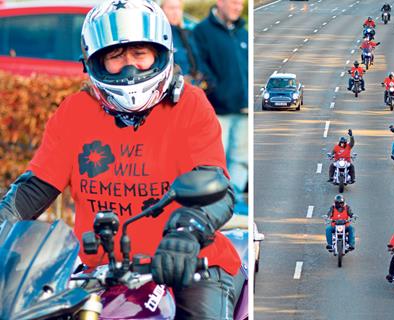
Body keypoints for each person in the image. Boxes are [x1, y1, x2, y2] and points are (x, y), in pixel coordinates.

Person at [0, 0, 241, 318]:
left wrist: (187, 233)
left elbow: (217, 188)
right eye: (115, 56)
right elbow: (35, 188)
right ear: (94, 62)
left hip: (191, 264)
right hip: (101, 273)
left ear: (161, 53)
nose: (130, 67)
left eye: (140, 54)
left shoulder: (190, 105)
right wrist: (4, 220)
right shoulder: (75, 112)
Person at [193, 0, 248, 211]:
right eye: (234, 2)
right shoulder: (202, 31)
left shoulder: (242, 33)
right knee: (215, 159)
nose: (238, 7)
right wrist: (215, 90)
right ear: (220, 2)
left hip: (243, 109)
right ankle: (212, 204)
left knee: (241, 159)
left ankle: (231, 203)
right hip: (218, 109)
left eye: (240, 3)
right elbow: (199, 65)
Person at [160, 0, 207, 87]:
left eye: (178, 8)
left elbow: (201, 61)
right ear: (162, 10)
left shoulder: (189, 34)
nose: (176, 12)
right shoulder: (160, 37)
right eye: (171, 8)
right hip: (176, 89)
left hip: (196, 88)